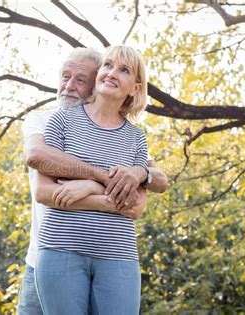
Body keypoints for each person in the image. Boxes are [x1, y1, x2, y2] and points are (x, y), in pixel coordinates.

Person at [17, 47, 168, 315]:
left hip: (114, 253)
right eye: (65, 77)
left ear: (134, 87)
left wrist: (96, 184)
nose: (68, 86)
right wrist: (104, 184)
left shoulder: (134, 137)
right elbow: (40, 175)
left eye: (80, 79)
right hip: (50, 252)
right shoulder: (52, 120)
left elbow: (143, 195)